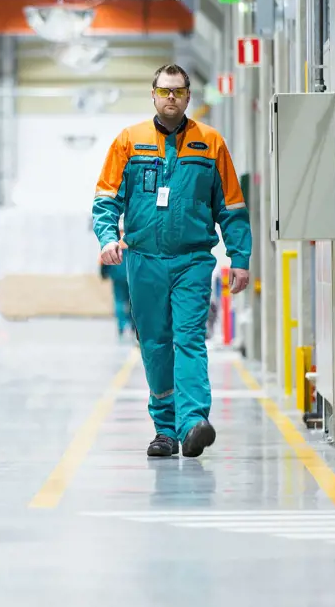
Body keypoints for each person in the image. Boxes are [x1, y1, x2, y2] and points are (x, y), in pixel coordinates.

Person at [92, 64, 252, 459]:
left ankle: (194, 421)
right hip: (143, 259)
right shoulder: (128, 141)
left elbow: (231, 205)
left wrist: (240, 257)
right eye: (164, 91)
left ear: (188, 97)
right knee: (155, 343)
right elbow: (106, 198)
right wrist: (108, 237)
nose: (170, 98)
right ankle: (165, 428)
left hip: (192, 260)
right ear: (153, 94)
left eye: (178, 92)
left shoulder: (210, 143)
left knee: (189, 338)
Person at [99, 218, 133, 338]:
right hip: (132, 275)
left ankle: (121, 327)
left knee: (119, 300)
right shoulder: (132, 241)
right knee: (132, 301)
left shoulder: (112, 242)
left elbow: (102, 259)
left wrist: (103, 273)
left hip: (116, 275)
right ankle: (133, 326)